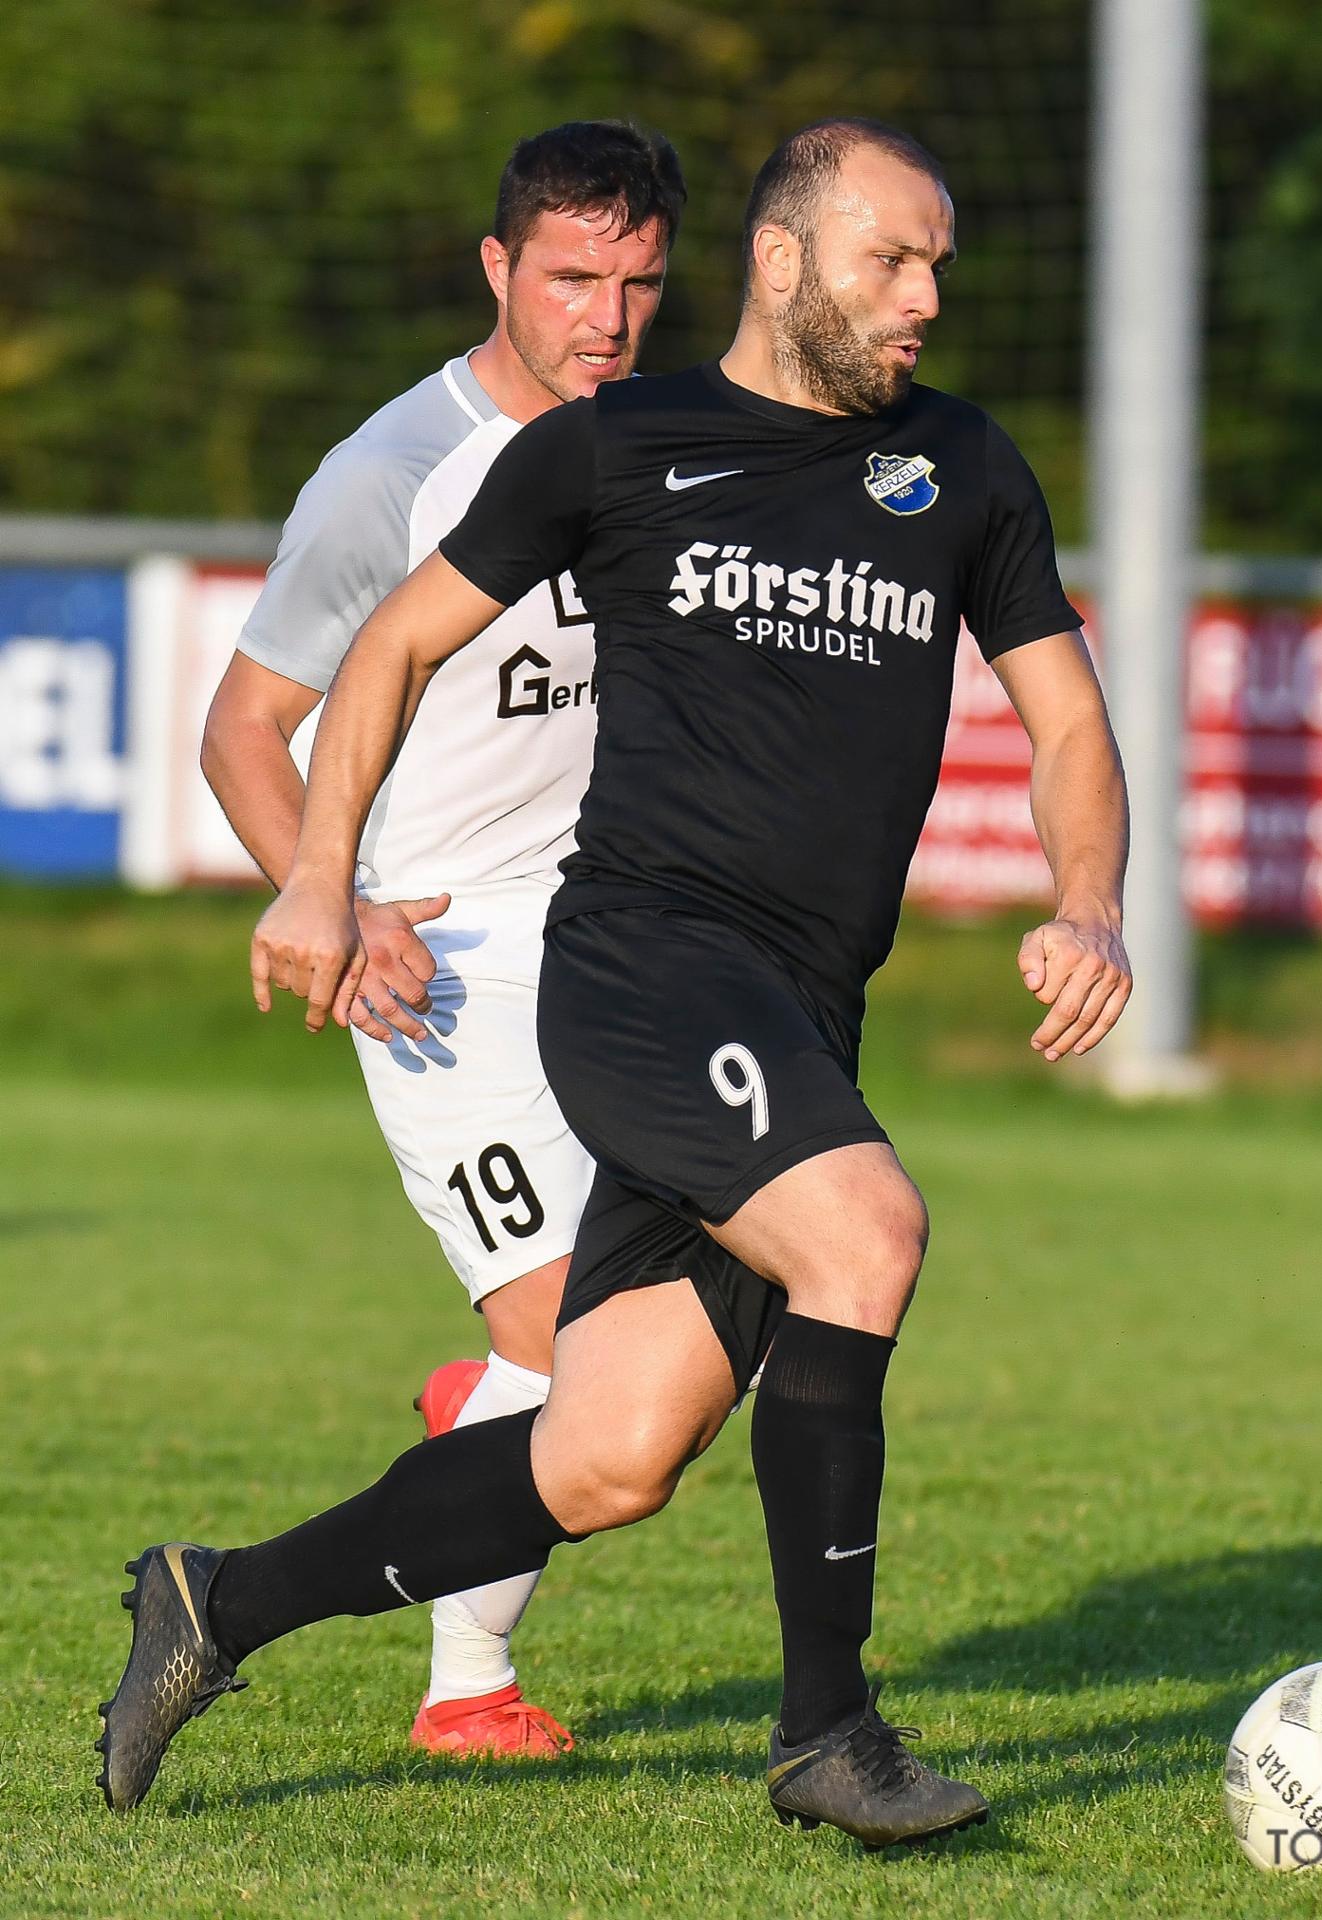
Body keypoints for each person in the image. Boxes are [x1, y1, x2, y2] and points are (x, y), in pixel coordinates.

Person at [99, 117, 1131, 1849]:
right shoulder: (610, 447)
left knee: (610, 1453)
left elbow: (1071, 722)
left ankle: (217, 1602)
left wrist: (1089, 903)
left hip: (801, 1003)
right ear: (785, 261)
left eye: (939, 265)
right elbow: (390, 647)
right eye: (893, 260)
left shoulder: (962, 466)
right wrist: (318, 876)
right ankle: (829, 1737)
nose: (927, 299)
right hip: (646, 970)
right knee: (866, 1234)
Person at [198, 121, 685, 1756]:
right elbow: (242, 728)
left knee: (689, 1358)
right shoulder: (395, 474)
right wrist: (330, 902)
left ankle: (471, 1604)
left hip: (621, 945)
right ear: (497, 267)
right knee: (579, 1354)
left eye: (638, 282)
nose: (606, 319)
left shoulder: (668, 446)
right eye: (571, 279)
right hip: (445, 968)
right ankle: (464, 1679)